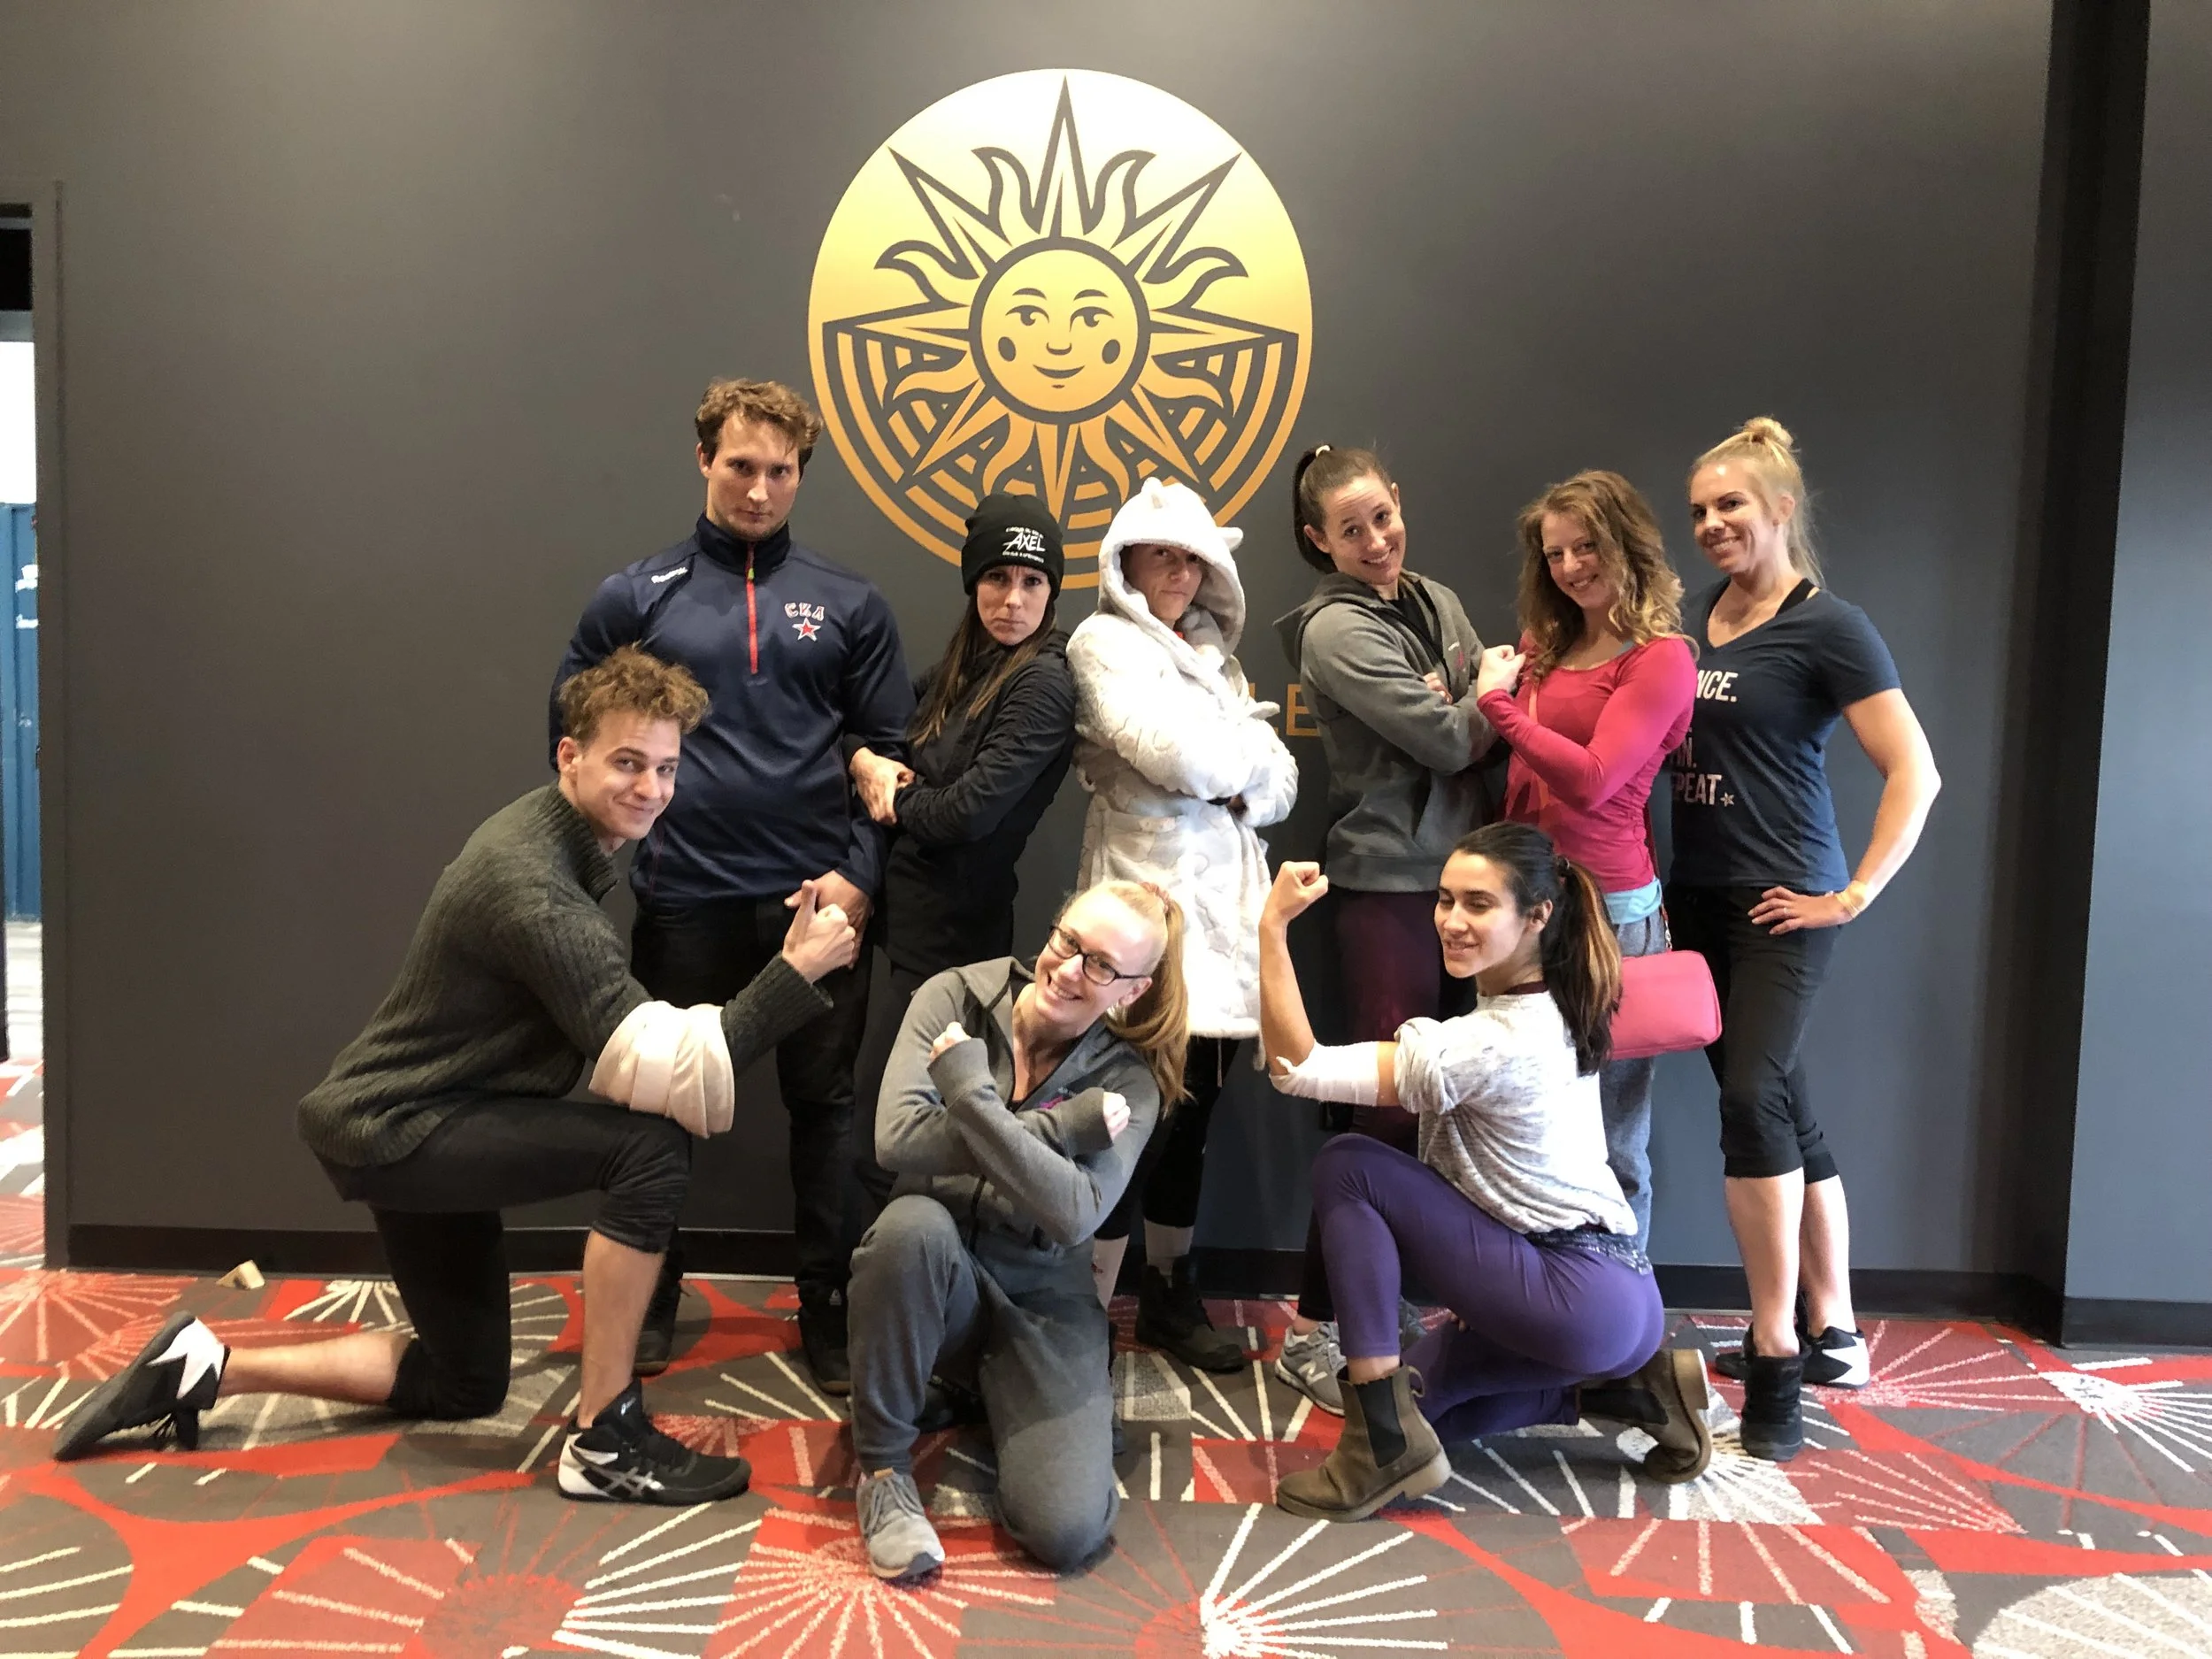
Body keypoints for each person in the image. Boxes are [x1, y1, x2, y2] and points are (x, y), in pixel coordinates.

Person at [54, 648, 862, 1504]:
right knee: (651, 1149)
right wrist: (796, 972)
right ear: (569, 755)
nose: (651, 789)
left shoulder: (547, 834)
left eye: (665, 767)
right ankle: (605, 1436)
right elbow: (667, 1071)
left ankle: (204, 1367)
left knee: (461, 1380)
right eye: (627, 762)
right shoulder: (531, 887)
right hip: (406, 1130)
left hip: (418, 1120)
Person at [552, 379, 913, 1391]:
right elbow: (573, 733)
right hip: (685, 901)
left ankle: (828, 1304)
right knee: (662, 1107)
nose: (759, 489)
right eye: (740, 466)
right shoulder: (639, 595)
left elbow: (886, 753)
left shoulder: (850, 603)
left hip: (815, 904)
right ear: (703, 460)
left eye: (780, 471)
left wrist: (859, 879)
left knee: (826, 1108)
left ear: (801, 474)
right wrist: (621, 844)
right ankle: (652, 1291)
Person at [1256, 826, 1713, 1522]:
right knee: (1426, 1416)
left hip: (1570, 1295)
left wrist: (1272, 928)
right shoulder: (1561, 1002)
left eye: (1478, 903)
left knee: (1349, 1165)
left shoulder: (1489, 1041)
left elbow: (1298, 1070)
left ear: (1537, 916)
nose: (1451, 921)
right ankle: (1630, 1390)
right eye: (1444, 900)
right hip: (1622, 1303)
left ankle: (1377, 1439)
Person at [1671, 418, 1941, 1460]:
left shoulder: (1832, 628)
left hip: (1784, 905)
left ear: (1782, 507)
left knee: (1748, 1100)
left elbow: (1913, 771)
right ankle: (1837, 1333)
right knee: (1779, 1100)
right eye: (1698, 510)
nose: (1711, 524)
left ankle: (1775, 1347)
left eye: (1730, 504)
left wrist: (1857, 891)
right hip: (1695, 902)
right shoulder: (1696, 623)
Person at [847, 880, 1186, 1581]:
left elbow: (1072, 1212)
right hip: (934, 1274)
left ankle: (989, 1393)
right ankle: (881, 1470)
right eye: (1069, 941)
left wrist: (969, 1094)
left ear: (1131, 989)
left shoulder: (1133, 1078)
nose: (1066, 969)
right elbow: (896, 1139)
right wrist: (1063, 1127)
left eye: (1101, 965)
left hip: (1043, 1300)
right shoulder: (954, 995)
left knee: (1065, 1529)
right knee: (908, 1228)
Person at [1271, 445, 1499, 1410]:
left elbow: (1477, 709)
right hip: (1383, 885)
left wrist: (1481, 696)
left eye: (1382, 516)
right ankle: (1319, 1328)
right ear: (1319, 540)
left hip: (1461, 874)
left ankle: (1395, 1302)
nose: (1375, 541)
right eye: (1350, 529)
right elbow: (1454, 733)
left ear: (1399, 501)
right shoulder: (1331, 630)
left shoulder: (1437, 599)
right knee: (1383, 1106)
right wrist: (1486, 691)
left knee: (1454, 1099)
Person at [1068, 477, 1297, 1369]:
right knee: (1129, 1115)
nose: (1175, 572)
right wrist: (1229, 768)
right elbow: (1179, 752)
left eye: (1190, 557)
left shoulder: (1212, 654)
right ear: (1124, 560)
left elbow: (1277, 786)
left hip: (1228, 925)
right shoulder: (1100, 644)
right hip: (1142, 911)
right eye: (1158, 553)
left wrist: (1230, 772)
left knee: (1193, 1117)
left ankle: (1167, 1288)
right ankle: (1085, 1302)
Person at [1471, 472, 1694, 1250]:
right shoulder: (1546, 642)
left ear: (1625, 543)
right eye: (1555, 552)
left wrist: (1495, 703)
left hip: (1610, 918)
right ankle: (1521, 1300)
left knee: (1613, 1136)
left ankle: (1616, 1320)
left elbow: (1596, 780)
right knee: (1512, 1121)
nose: (1570, 566)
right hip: (1523, 906)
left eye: (1586, 546)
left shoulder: (1661, 658)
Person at [846, 494, 1078, 1208]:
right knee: (875, 1124)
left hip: (952, 942)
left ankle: (892, 1294)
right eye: (997, 578)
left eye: (1031, 582)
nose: (1012, 599)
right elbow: (883, 734)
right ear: (973, 581)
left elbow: (969, 813)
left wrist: (897, 797)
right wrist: (866, 760)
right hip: (904, 919)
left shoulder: (1041, 680)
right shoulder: (965, 663)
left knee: (889, 1136)